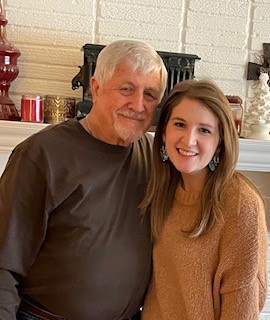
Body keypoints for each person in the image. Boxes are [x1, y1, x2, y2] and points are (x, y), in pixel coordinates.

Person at [0, 39, 167, 320]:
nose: (138, 105)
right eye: (126, 89)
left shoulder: (155, 159)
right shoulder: (42, 154)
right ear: (96, 87)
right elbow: (3, 262)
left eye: (150, 94)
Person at [140, 79, 268, 319]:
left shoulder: (240, 205)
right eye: (180, 124)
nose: (188, 140)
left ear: (220, 143)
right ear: (164, 131)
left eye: (204, 130)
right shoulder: (163, 191)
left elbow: (242, 308)